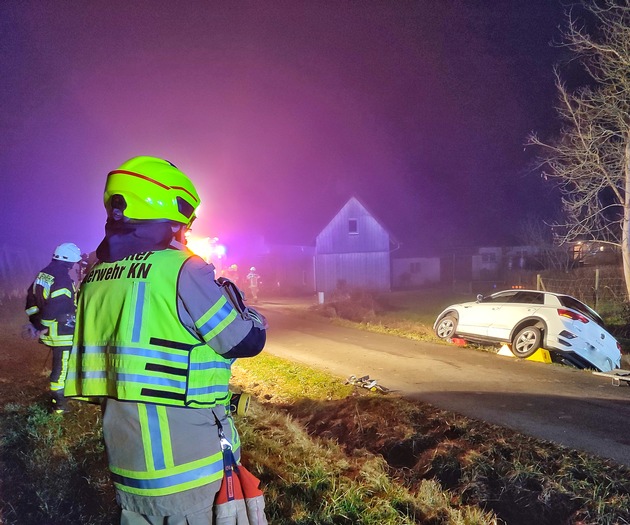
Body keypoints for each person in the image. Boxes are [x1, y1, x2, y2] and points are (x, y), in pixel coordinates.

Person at [64, 156, 267, 524]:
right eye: (183, 221)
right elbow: (246, 340)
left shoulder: (95, 277)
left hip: (129, 467)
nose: (185, 231)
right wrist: (248, 310)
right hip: (189, 468)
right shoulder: (183, 270)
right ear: (170, 213)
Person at [24, 242, 82, 413]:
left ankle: (63, 396)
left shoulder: (43, 274)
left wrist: (35, 321)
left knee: (60, 365)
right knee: (62, 366)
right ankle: (60, 405)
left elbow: (31, 299)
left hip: (52, 330)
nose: (73, 266)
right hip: (61, 331)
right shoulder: (62, 278)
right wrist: (43, 325)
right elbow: (57, 307)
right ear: (69, 261)